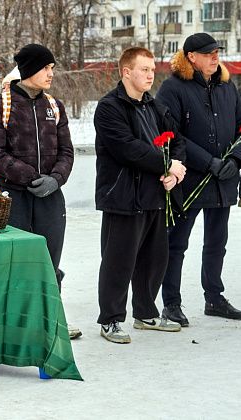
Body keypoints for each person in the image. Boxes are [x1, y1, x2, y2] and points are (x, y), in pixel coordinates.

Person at [0, 44, 80, 339]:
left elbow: (67, 151)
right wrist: (30, 178)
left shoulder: (55, 106)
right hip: (15, 198)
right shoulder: (0, 106)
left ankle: (52, 321)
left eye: (52, 68)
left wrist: (56, 179)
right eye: (45, 68)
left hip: (51, 197)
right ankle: (18, 326)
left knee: (50, 262)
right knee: (17, 262)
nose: (51, 73)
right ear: (29, 70)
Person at [94, 47, 186, 344]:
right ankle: (110, 319)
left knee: (154, 259)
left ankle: (145, 313)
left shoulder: (154, 106)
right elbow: (127, 147)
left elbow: (177, 140)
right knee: (118, 261)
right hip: (123, 196)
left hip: (155, 195)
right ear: (126, 72)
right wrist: (166, 163)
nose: (150, 75)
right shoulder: (109, 107)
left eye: (152, 69)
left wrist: (175, 172)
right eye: (144, 69)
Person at [156, 33, 241, 324]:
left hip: (224, 179)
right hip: (189, 180)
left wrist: (234, 159)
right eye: (208, 53)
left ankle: (214, 298)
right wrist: (208, 162)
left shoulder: (228, 87)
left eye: (217, 52)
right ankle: (171, 303)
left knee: (217, 241)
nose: (214, 57)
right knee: (176, 242)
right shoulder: (173, 88)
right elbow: (171, 134)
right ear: (191, 56)